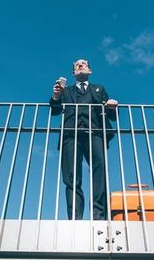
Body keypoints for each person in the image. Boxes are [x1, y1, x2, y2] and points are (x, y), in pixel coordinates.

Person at [49, 59, 118, 220]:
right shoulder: (66, 90)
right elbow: (55, 111)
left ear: (89, 70)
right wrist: (56, 96)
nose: (80, 65)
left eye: (84, 64)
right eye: (76, 65)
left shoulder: (99, 89)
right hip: (70, 135)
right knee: (71, 176)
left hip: (95, 133)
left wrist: (112, 105)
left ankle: (99, 215)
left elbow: (112, 116)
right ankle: (75, 217)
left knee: (99, 173)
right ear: (73, 73)